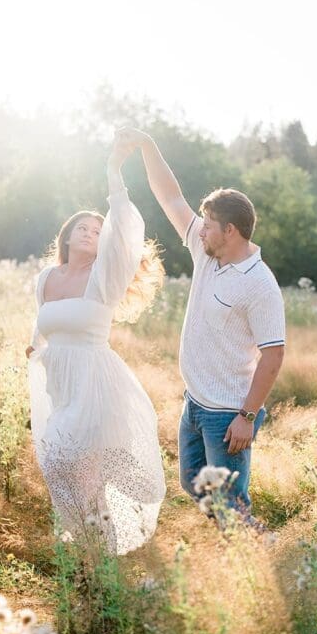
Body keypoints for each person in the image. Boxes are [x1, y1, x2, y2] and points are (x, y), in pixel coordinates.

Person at [115, 127, 286, 528]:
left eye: (209, 224)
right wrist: (147, 145)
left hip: (226, 414)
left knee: (229, 504)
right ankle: (239, 546)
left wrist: (247, 415)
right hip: (195, 403)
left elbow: (274, 355)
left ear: (231, 231)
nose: (200, 228)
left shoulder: (259, 284)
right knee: (194, 485)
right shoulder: (207, 254)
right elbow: (170, 196)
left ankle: (258, 560)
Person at [25, 134, 166, 555]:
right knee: (63, 464)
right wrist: (33, 348)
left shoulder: (104, 278)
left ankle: (96, 550)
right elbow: (42, 325)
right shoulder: (46, 279)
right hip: (60, 384)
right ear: (66, 237)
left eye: (97, 230)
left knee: (75, 464)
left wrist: (113, 173)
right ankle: (94, 548)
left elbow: (123, 225)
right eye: (82, 228)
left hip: (96, 384)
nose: (90, 232)